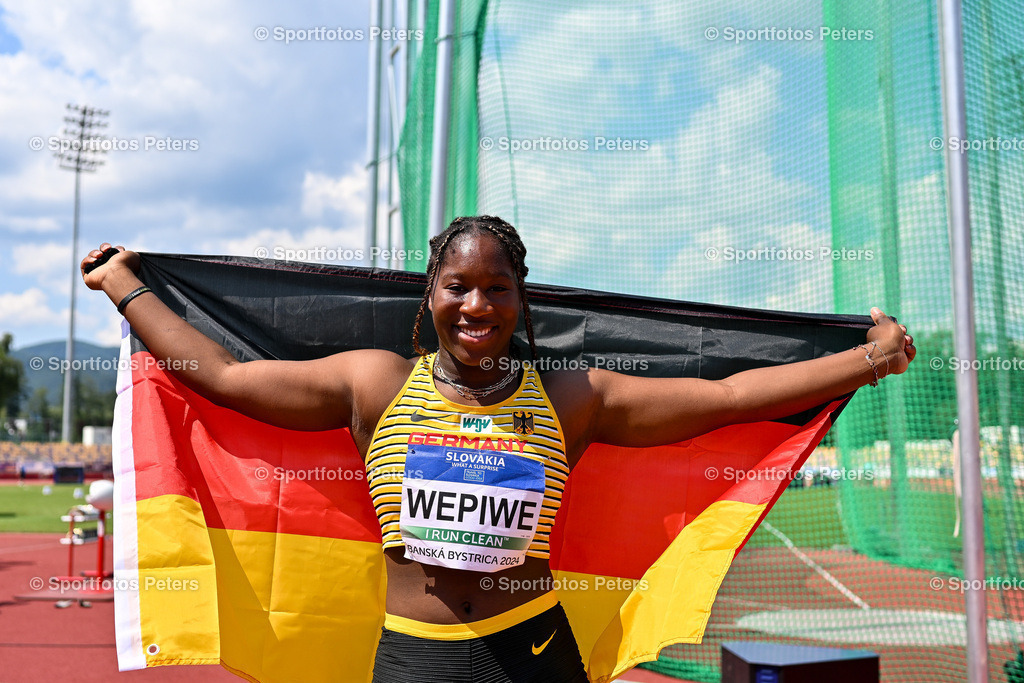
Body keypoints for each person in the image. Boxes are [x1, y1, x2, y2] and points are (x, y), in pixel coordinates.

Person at [82, 215, 916, 682]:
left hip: (533, 651)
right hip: (413, 658)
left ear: (521, 302)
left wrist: (868, 360)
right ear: (431, 295)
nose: (476, 303)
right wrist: (125, 286)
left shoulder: (573, 397)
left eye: (496, 287)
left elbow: (726, 398)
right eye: (458, 285)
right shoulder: (374, 384)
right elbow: (223, 378)